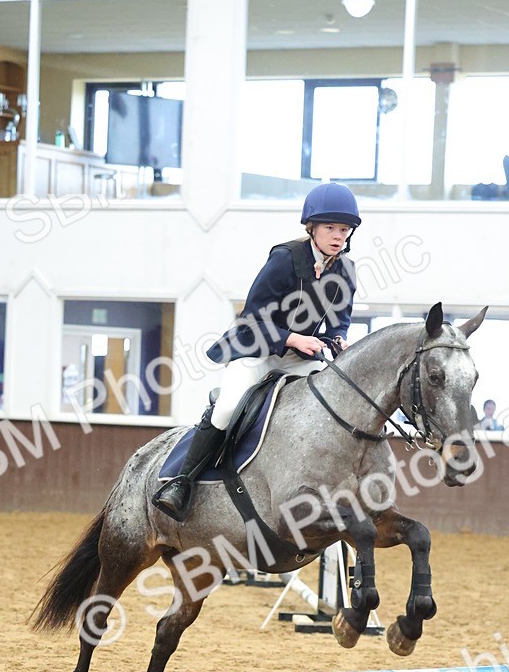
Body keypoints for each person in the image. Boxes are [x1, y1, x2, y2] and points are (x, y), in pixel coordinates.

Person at [153, 181, 361, 521]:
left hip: (301, 361)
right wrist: (293, 339)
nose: (339, 235)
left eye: (345, 229)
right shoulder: (284, 259)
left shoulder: (346, 271)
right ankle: (182, 482)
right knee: (228, 408)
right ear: (312, 228)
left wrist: (339, 341)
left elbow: (338, 322)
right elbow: (250, 318)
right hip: (256, 351)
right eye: (330, 228)